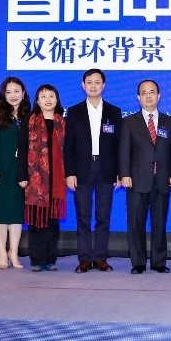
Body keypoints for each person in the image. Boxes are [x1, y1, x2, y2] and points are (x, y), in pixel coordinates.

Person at [63, 68, 122, 273]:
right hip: (82, 169)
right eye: (89, 82)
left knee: (103, 216)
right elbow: (68, 146)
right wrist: (69, 173)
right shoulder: (74, 111)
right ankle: (85, 259)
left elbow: (119, 145)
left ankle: (101, 258)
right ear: (83, 85)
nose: (93, 86)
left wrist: (120, 172)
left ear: (103, 85)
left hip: (107, 168)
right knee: (83, 216)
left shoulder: (114, 111)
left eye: (97, 82)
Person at [119, 79, 171, 274]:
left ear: (159, 96)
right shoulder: (129, 122)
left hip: (162, 180)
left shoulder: (169, 122)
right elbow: (124, 151)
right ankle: (138, 262)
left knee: (159, 224)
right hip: (136, 180)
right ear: (138, 97)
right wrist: (124, 174)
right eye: (144, 93)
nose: (148, 96)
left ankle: (159, 262)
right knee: (136, 223)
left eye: (152, 92)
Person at [18, 83, 68, 271]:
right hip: (35, 178)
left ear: (57, 100)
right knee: (36, 220)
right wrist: (22, 174)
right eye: (43, 96)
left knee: (53, 221)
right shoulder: (29, 121)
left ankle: (50, 259)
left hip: (57, 178)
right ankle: (37, 260)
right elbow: (22, 149)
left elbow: (68, 151)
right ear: (37, 101)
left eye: (51, 96)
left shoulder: (63, 122)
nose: (48, 100)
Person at [0, 77, 28, 269]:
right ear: (3, 94)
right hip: (2, 170)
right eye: (9, 92)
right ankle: (2, 253)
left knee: (17, 213)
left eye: (16, 91)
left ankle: (14, 252)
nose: (13, 95)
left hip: (22, 171)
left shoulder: (29, 115)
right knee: (1, 212)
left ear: (23, 93)